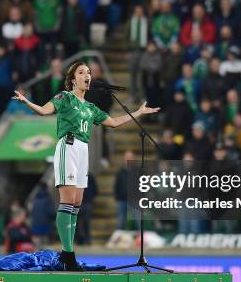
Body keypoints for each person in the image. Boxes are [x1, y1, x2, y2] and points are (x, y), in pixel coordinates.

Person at [12, 61, 160, 270]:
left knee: (77, 202)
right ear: (73, 79)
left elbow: (114, 122)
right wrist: (27, 102)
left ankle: (67, 254)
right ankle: (68, 253)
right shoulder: (64, 97)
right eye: (82, 72)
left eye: (88, 72)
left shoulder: (91, 108)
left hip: (83, 150)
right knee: (67, 200)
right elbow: (45, 111)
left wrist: (138, 113)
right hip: (68, 147)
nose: (87, 75)